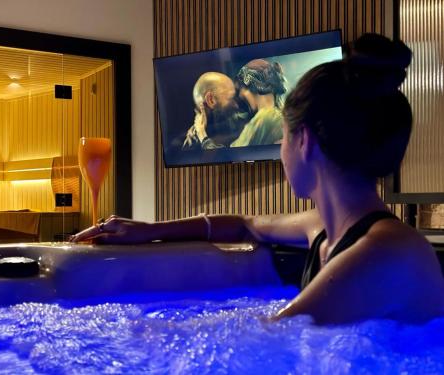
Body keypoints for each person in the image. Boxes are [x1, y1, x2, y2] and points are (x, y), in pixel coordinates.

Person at [70, 34, 444, 325]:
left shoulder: (390, 251)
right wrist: (148, 230)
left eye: (283, 136)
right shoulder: (327, 228)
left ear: (304, 142)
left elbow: (272, 336)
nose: (281, 149)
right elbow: (246, 225)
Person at [230, 58, 286, 147]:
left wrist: (203, 136)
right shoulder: (280, 115)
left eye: (242, 89)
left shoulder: (265, 118)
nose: (241, 95)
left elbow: (233, 155)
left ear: (253, 85)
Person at [181, 72, 244, 150]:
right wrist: (203, 137)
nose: (236, 105)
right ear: (211, 100)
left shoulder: (238, 124)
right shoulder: (192, 148)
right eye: (230, 98)